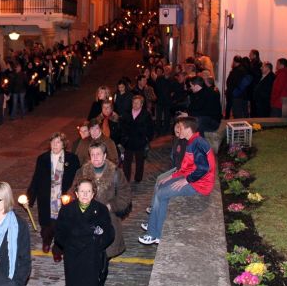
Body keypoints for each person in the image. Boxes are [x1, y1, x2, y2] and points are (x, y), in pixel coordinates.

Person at [139, 117, 216, 245]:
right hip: (193, 179)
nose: (177, 130)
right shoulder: (193, 141)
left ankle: (154, 234)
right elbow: (187, 167)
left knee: (162, 194)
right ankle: (154, 223)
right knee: (161, 184)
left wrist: (187, 181)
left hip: (200, 185)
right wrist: (173, 176)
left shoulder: (197, 143)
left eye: (180, 127)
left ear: (187, 129)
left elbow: (204, 168)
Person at [54, 180, 114, 286]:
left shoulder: (100, 210)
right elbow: (59, 233)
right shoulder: (67, 210)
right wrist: (69, 245)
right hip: (73, 256)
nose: (85, 194)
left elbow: (109, 234)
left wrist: (96, 243)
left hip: (92, 256)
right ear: (76, 193)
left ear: (93, 193)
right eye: (82, 191)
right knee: (75, 285)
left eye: (89, 191)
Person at [26, 133, 80, 261]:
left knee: (61, 224)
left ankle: (58, 249)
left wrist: (75, 195)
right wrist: (30, 197)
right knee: (46, 223)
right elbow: (36, 178)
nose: (55, 145)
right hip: (46, 197)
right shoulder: (42, 158)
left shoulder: (72, 159)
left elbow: (77, 179)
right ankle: (46, 240)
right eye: (53, 142)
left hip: (64, 197)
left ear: (63, 144)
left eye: (58, 142)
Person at [73, 142, 131, 258]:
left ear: (105, 156)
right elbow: (74, 190)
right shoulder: (82, 172)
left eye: (98, 154)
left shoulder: (116, 173)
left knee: (104, 254)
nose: (95, 157)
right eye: (92, 154)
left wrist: (111, 206)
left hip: (108, 219)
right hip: (87, 219)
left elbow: (125, 195)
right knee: (88, 252)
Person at [121, 95, 155, 183]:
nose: (135, 104)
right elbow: (122, 126)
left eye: (137, 103)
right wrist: (123, 139)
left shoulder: (146, 114)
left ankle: (138, 178)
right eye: (133, 102)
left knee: (139, 161)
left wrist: (147, 139)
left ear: (142, 104)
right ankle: (126, 178)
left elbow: (150, 128)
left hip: (140, 142)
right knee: (126, 162)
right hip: (128, 142)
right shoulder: (127, 113)